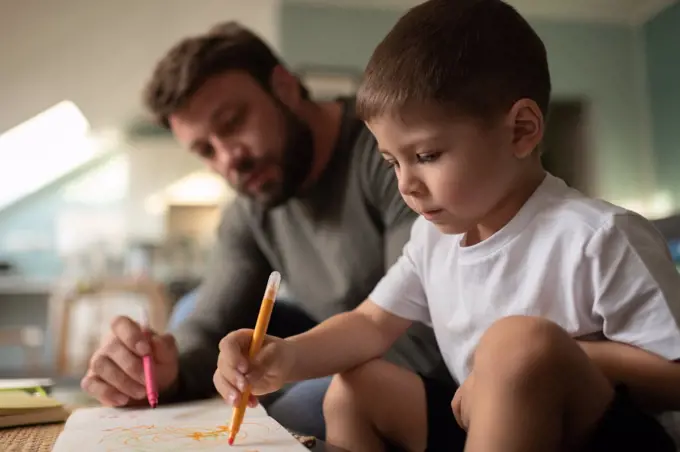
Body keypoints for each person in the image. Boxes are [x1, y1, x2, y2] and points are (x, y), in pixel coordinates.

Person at [214, 1, 680, 451]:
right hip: (480, 425)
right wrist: (285, 357)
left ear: (521, 130)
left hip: (602, 437)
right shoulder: (433, 239)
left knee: (515, 342)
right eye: (391, 162)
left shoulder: (599, 236)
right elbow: (370, 325)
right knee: (356, 385)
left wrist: (551, 356)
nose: (407, 185)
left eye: (426, 156)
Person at [79, 21, 447, 439]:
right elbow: (209, 322)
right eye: (205, 150)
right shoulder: (252, 208)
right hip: (333, 344)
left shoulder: (389, 156)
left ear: (284, 87)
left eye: (233, 122)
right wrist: (167, 367)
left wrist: (283, 379)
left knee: (291, 412)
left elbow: (419, 329)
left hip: (413, 363)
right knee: (193, 313)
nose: (228, 159)